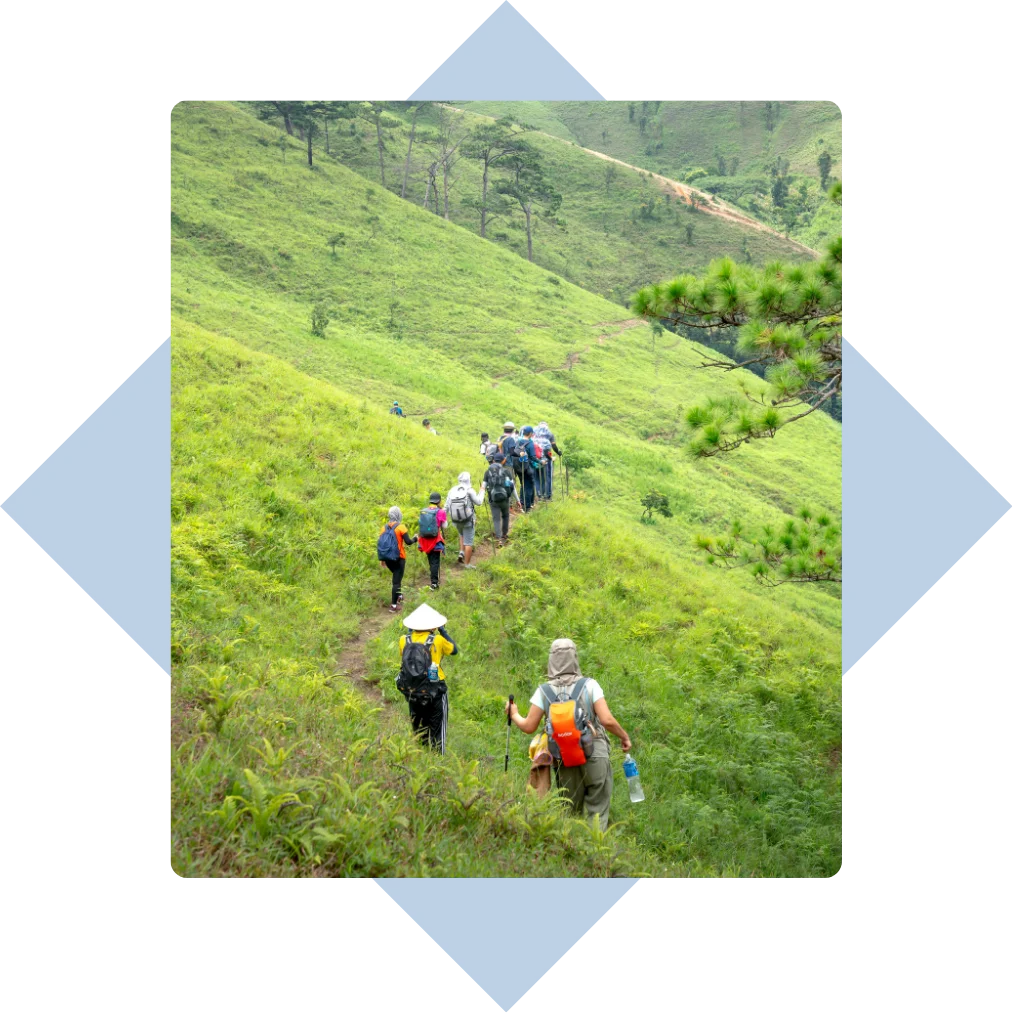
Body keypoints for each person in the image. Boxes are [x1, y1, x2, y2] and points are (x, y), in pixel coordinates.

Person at [505, 638, 632, 831]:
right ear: (575, 658)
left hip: (564, 756)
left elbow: (529, 726)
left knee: (570, 812)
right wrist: (624, 736)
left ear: (551, 660)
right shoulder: (590, 685)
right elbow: (607, 720)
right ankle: (596, 853)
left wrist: (513, 713)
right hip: (594, 753)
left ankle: (569, 852)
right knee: (597, 810)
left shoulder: (544, 691)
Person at [398, 603, 458, 754]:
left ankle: (420, 757)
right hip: (435, 689)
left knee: (419, 728)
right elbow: (454, 650)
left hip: (412, 690)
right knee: (438, 730)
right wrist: (442, 630)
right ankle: (438, 760)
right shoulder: (437, 640)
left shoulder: (403, 640)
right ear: (433, 625)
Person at [378, 506, 417, 612]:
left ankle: (399, 595)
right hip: (399, 558)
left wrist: (382, 560)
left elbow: (382, 544)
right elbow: (408, 542)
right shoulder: (401, 527)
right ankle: (394, 606)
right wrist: (415, 538)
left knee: (396, 578)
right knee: (396, 582)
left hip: (387, 558)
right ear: (399, 515)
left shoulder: (383, 528)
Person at [446, 471, 484, 568]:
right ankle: (467, 564)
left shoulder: (452, 490)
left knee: (461, 534)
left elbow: (446, 506)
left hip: (455, 520)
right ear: (469, 480)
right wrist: (482, 491)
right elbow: (479, 502)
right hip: (468, 520)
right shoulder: (469, 490)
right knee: (469, 542)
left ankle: (461, 553)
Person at [481, 452, 515, 547]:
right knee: (505, 516)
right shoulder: (506, 471)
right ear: (503, 460)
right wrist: (517, 500)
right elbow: (512, 486)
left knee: (496, 519)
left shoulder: (488, 472)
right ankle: (504, 535)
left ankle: (499, 538)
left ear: (494, 460)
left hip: (493, 499)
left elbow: (483, 486)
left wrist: (481, 498)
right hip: (505, 499)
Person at [417, 492, 448, 590]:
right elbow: (445, 526)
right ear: (439, 501)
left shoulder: (424, 511)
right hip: (435, 540)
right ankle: (434, 584)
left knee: (431, 561)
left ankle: (434, 580)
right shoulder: (441, 511)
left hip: (424, 540)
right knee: (435, 562)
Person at [497, 422, 524, 514]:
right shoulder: (511, 439)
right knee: (510, 484)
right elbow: (512, 452)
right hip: (508, 464)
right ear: (512, 430)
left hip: (499, 464)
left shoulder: (500, 438)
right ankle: (510, 506)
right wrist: (520, 453)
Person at [533, 421, 561, 500]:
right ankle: (547, 495)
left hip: (535, 458)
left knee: (537, 476)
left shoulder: (534, 435)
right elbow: (554, 445)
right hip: (546, 457)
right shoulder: (550, 434)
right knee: (547, 476)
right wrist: (558, 452)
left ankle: (539, 494)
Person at [515, 426, 539, 513]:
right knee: (528, 487)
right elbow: (533, 457)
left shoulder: (518, 441)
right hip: (527, 468)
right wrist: (541, 462)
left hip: (519, 468)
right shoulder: (530, 443)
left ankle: (521, 504)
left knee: (523, 485)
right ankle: (527, 507)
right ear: (530, 434)